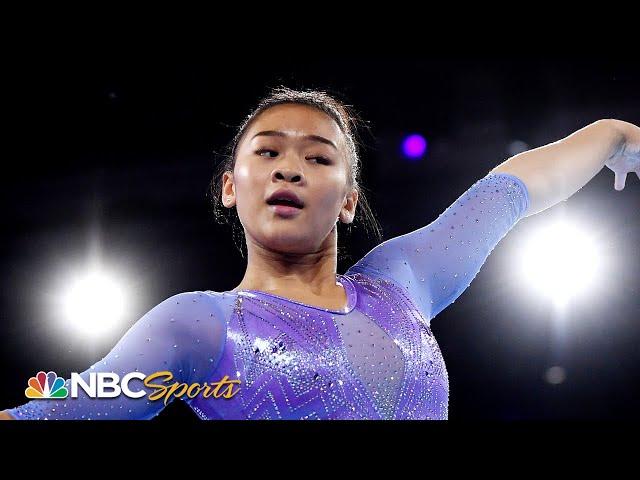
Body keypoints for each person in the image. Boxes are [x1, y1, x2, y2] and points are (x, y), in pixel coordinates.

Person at [2, 87, 638, 420]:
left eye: (318, 157)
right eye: (268, 152)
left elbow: (511, 190)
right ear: (230, 186)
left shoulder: (402, 283)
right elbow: (65, 411)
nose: (290, 170)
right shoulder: (196, 325)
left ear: (349, 200)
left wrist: (613, 133)